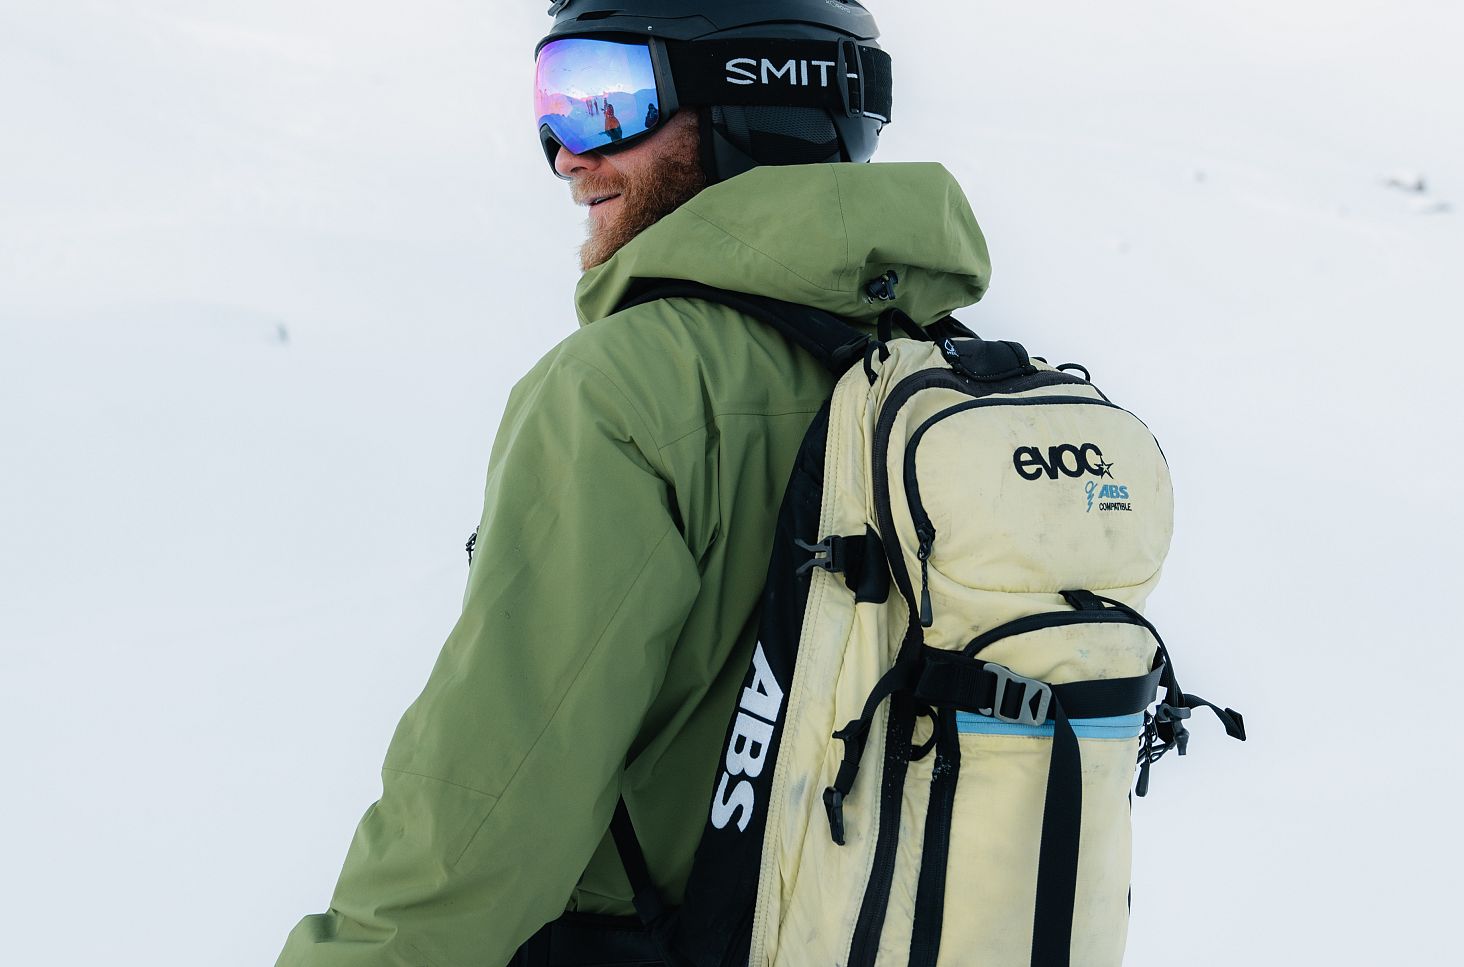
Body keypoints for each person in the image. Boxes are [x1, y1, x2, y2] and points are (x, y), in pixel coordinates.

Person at [276, 2, 988, 964]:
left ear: (750, 98)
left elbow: (489, 806)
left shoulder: (622, 389)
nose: (566, 153)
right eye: (553, 102)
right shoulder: (939, 380)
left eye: (602, 99)